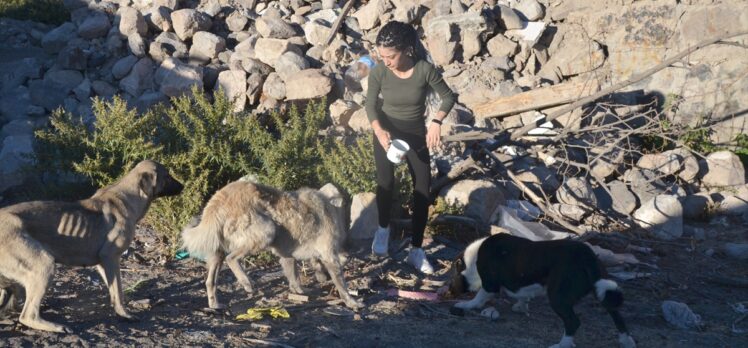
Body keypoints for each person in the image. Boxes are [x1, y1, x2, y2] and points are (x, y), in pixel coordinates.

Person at [366, 21, 456, 275]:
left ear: (406, 50)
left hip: (416, 134)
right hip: (385, 131)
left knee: (422, 190)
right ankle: (383, 229)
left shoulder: (424, 69)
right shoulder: (379, 72)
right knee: (386, 183)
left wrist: (436, 121)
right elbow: (370, 105)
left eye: (390, 56)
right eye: (381, 56)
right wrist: (379, 131)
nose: (386, 61)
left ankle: (416, 250)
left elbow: (448, 96)